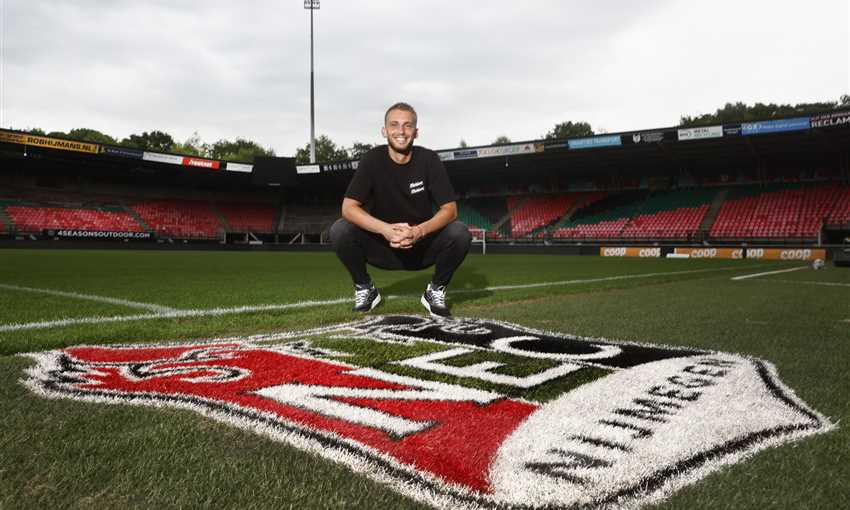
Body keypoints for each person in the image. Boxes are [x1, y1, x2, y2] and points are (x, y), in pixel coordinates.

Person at [329, 102, 471, 317]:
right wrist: (385, 229)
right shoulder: (372, 159)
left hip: (421, 247)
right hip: (383, 245)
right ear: (384, 131)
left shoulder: (429, 160)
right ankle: (365, 288)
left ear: (416, 132)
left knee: (460, 233)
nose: (401, 131)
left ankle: (435, 290)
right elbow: (348, 208)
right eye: (394, 125)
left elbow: (450, 210)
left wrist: (418, 232)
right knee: (340, 230)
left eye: (407, 125)